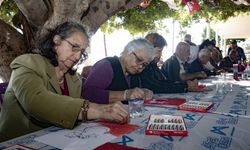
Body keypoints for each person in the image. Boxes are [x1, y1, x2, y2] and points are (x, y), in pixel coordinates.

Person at [0, 21, 129, 142]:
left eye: (81, 51)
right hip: (17, 142)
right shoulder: (28, 63)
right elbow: (35, 101)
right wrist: (99, 110)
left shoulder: (74, 79)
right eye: (74, 47)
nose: (78, 56)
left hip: (58, 141)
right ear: (56, 41)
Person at [83, 38, 154, 104]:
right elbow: (88, 94)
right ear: (127, 51)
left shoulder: (135, 74)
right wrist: (125, 95)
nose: (140, 67)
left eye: (144, 64)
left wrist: (144, 92)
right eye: (139, 59)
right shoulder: (106, 66)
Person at [131, 33, 198, 93]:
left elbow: (163, 82)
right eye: (160, 50)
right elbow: (156, 87)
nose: (161, 54)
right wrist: (184, 86)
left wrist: (185, 85)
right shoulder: (142, 66)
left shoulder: (152, 65)